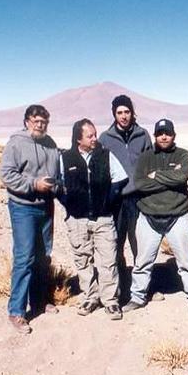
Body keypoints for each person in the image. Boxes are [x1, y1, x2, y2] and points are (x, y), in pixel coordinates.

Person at [122, 119, 188, 319]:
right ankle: (137, 297)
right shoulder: (145, 157)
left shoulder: (183, 155)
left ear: (174, 135)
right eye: (160, 133)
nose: (164, 136)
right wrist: (168, 178)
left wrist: (156, 175)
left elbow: (182, 176)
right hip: (149, 217)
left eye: (167, 133)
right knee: (142, 262)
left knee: (186, 261)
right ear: (155, 136)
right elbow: (140, 184)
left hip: (177, 216)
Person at [0, 104, 61, 334]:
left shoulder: (50, 144)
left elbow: (57, 171)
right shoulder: (16, 143)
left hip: (46, 206)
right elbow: (6, 174)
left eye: (44, 121)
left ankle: (38, 300)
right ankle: (16, 311)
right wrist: (33, 184)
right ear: (27, 122)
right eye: (36, 121)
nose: (40, 125)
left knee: (43, 255)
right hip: (23, 207)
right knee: (24, 257)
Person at [59, 118, 128, 320]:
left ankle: (111, 301)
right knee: (83, 260)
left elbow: (120, 179)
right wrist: (68, 202)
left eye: (95, 134)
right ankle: (90, 297)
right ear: (78, 138)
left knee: (108, 260)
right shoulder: (66, 158)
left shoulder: (105, 155)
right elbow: (57, 183)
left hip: (103, 219)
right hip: (77, 220)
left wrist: (108, 201)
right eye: (90, 136)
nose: (95, 139)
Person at [98, 95, 153, 297]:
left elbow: (151, 162)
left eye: (127, 112)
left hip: (138, 198)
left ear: (132, 112)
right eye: (120, 112)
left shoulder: (143, 135)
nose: (124, 116)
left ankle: (144, 288)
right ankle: (121, 286)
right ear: (114, 114)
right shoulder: (105, 138)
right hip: (116, 200)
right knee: (116, 243)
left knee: (140, 243)